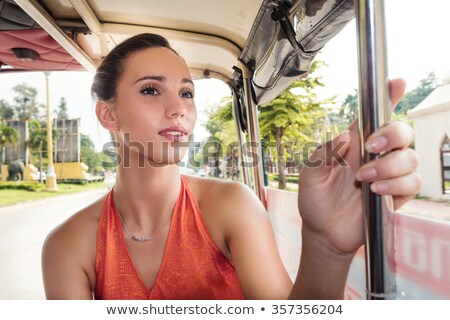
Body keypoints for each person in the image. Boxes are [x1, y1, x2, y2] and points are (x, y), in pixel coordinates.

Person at [41, 33, 421, 299]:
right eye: (151, 90)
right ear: (108, 114)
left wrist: (326, 247)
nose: (180, 109)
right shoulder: (67, 246)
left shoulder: (230, 206)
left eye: (187, 93)